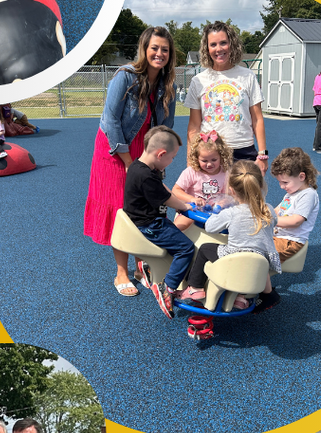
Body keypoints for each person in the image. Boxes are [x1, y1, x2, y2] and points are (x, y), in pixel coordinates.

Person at [83, 26, 177, 297]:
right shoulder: (125, 77)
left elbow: (164, 131)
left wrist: (157, 164)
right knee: (122, 207)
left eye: (165, 50)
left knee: (147, 205)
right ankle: (121, 271)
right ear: (145, 49)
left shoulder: (167, 87)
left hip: (144, 151)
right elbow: (110, 120)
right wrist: (128, 162)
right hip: (115, 149)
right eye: (155, 48)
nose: (159, 53)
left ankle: (141, 264)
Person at [180, 159, 281, 312]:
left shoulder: (231, 213)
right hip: (260, 261)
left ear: (232, 190)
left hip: (234, 259)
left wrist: (217, 211)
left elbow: (210, 226)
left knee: (205, 248)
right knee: (254, 246)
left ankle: (195, 287)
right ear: (260, 185)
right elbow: (273, 223)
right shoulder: (268, 209)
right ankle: (241, 296)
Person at [123, 125, 200, 318]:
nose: (172, 161)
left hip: (146, 220)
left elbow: (163, 189)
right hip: (149, 225)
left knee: (175, 236)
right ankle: (168, 288)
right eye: (172, 157)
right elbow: (167, 199)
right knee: (186, 248)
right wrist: (185, 206)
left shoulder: (139, 166)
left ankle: (148, 265)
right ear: (161, 153)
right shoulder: (145, 175)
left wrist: (182, 200)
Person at [187, 22, 269, 172]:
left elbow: (257, 118)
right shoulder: (198, 81)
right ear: (207, 48)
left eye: (223, 43)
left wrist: (262, 154)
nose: (219, 49)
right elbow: (194, 126)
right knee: (213, 196)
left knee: (247, 196)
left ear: (232, 44)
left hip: (243, 151)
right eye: (213, 44)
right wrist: (191, 161)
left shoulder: (248, 76)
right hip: (211, 154)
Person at [172, 130, 233, 231]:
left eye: (214, 160)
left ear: (221, 157)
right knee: (179, 226)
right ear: (197, 158)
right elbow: (176, 190)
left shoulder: (225, 173)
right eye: (204, 161)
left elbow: (229, 195)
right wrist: (192, 199)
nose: (209, 164)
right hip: (193, 210)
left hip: (215, 212)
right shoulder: (192, 172)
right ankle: (170, 239)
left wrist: (222, 203)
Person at [271, 147, 321, 264]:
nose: (281, 186)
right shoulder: (291, 193)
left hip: (290, 241)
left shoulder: (308, 195)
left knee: (255, 251)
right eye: (279, 182)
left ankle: (257, 279)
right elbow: (277, 210)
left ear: (301, 177)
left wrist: (270, 220)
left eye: (285, 182)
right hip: (279, 237)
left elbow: (296, 221)